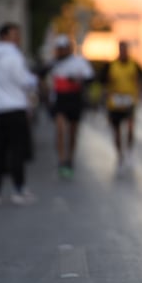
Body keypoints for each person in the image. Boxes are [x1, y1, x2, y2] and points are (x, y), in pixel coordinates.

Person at [0, 22, 39, 205]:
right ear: (5, 36)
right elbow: (24, 80)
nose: (18, 39)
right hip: (15, 108)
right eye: (15, 35)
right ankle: (18, 190)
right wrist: (34, 80)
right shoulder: (13, 55)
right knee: (17, 151)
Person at [45, 34, 94, 178]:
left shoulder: (79, 62)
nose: (62, 51)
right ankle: (61, 160)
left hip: (74, 99)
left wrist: (77, 79)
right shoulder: (54, 63)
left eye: (64, 48)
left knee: (72, 132)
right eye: (59, 48)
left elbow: (90, 77)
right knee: (60, 130)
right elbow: (41, 74)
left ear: (69, 48)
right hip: (60, 100)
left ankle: (70, 159)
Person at [99, 40, 142, 173]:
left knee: (130, 127)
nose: (123, 52)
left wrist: (138, 94)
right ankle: (120, 155)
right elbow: (103, 81)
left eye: (125, 49)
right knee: (117, 131)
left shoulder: (134, 64)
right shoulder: (111, 65)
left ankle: (129, 151)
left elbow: (140, 80)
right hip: (115, 102)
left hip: (130, 101)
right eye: (121, 49)